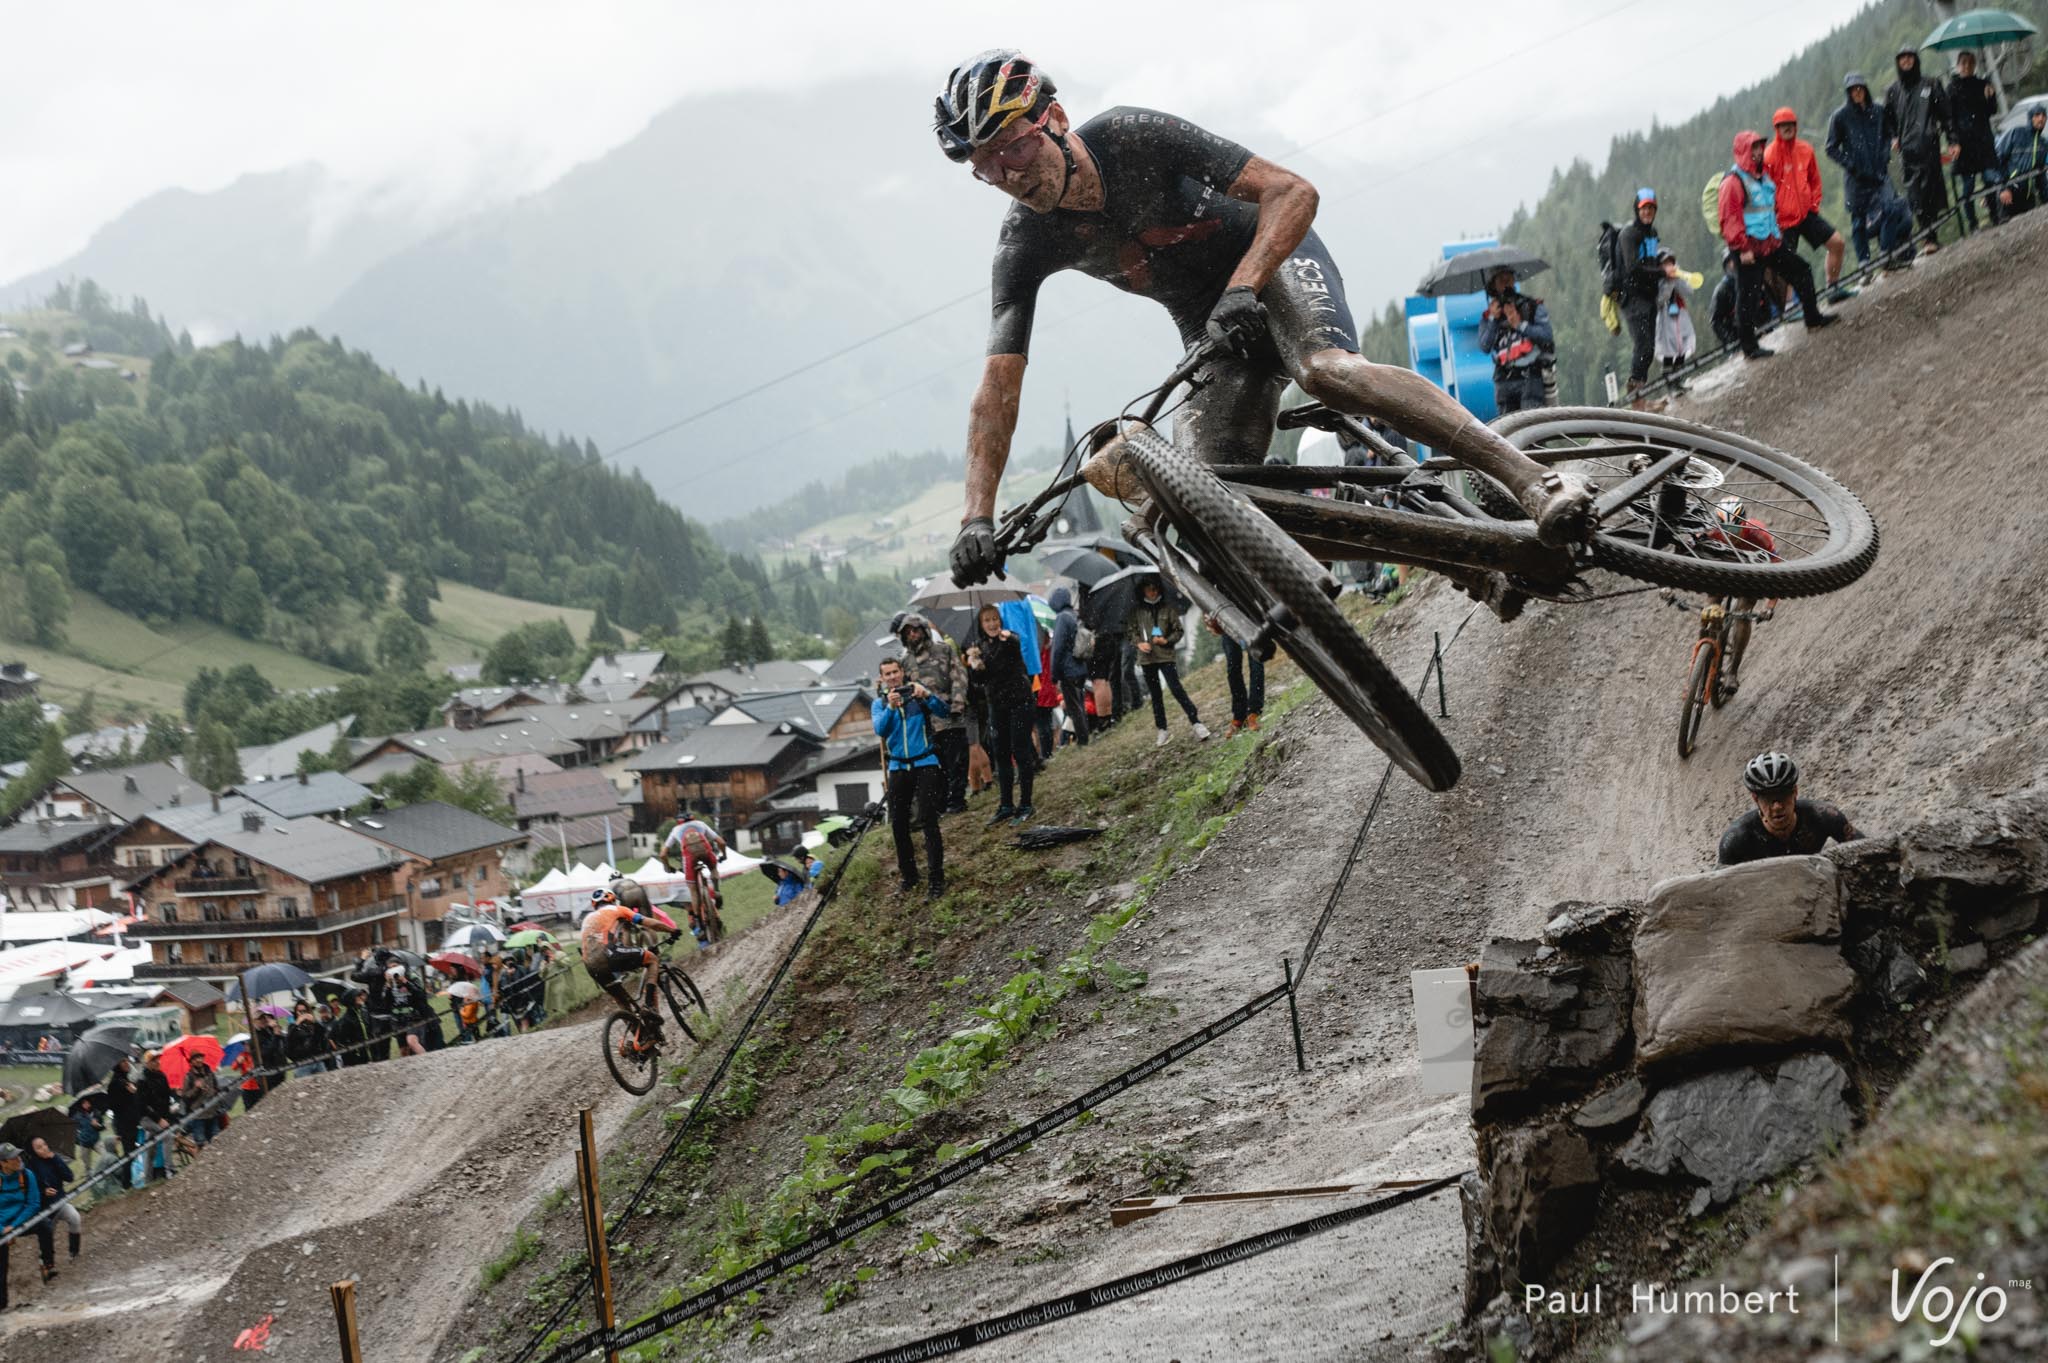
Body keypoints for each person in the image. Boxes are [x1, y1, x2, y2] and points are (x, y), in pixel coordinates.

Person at [937, 49, 1596, 599]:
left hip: (1273, 262)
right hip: (1211, 331)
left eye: (1014, 148)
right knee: (1210, 509)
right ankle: (1462, 558)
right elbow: (997, 390)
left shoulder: (1130, 137)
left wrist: (1245, 284)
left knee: (1326, 372)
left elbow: (1293, 191)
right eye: (986, 166)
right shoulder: (1024, 241)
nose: (1008, 175)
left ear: (1054, 119)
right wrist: (975, 518)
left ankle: (1536, 482)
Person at [1719, 131, 1835, 359]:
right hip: (1748, 248)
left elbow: (1769, 208)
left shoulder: (1761, 176)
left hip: (1770, 243)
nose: (1758, 152)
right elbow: (1729, 218)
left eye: (1759, 147)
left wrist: (1777, 234)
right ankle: (1750, 348)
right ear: (1742, 151)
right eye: (1753, 148)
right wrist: (1742, 248)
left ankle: (1813, 319)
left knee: (1802, 271)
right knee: (1748, 297)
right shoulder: (1733, 182)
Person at [873, 654, 948, 899]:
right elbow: (880, 730)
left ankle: (936, 879)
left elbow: (944, 712)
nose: (893, 677)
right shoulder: (879, 703)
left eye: (895, 672)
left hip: (925, 762)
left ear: (902, 672)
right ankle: (909, 876)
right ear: (882, 678)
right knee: (899, 823)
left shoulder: (917, 694)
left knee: (929, 820)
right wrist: (891, 709)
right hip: (898, 767)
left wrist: (927, 695)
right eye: (887, 674)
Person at [1826, 72, 1914, 271]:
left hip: (1879, 173)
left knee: (1891, 208)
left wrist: (1886, 152)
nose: (1857, 92)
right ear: (1848, 92)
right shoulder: (1840, 117)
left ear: (1865, 88)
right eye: (1853, 89)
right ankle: (1864, 264)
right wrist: (1851, 165)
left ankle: (1886, 253)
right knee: (1858, 221)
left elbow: (1890, 132)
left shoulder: (1878, 110)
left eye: (1860, 88)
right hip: (1855, 179)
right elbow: (1830, 148)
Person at [1763, 107, 1849, 297]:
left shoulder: (1805, 150)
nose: (1787, 128)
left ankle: (1833, 288)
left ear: (1795, 125)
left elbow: (1814, 180)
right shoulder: (1769, 156)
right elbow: (1764, 191)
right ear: (1776, 128)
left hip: (1806, 214)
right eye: (1782, 125)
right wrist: (1773, 216)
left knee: (1837, 243)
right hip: (1782, 221)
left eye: (1790, 124)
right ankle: (1790, 307)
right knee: (1784, 266)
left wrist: (1814, 204)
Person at [964, 603, 1037, 825]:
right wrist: (974, 666)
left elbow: (1015, 644)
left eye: (995, 619)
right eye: (987, 620)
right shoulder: (979, 648)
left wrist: (1008, 638)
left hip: (1019, 702)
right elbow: (979, 682)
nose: (992, 624)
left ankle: (1026, 803)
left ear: (1000, 620)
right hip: (997, 705)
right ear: (981, 624)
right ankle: (1006, 805)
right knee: (1001, 754)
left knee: (1021, 751)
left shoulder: (1009, 639)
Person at [1718, 752, 1860, 865]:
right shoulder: (1736, 839)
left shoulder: (1824, 816)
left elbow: (1865, 850)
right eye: (1768, 799)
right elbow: (1719, 887)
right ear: (1756, 799)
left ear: (1795, 792)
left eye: (1783, 795)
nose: (1777, 806)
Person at [893, 612, 971, 813]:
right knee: (936, 767)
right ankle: (941, 804)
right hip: (925, 724)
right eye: (908, 632)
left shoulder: (943, 650)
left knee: (957, 761)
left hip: (950, 714)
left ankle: (957, 800)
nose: (912, 634)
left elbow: (959, 677)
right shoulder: (905, 661)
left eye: (916, 630)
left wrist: (957, 705)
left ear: (924, 630)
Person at [1883, 45, 1956, 253]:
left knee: (1932, 191)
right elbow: (1887, 120)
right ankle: (1927, 238)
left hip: (1929, 147)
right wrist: (1893, 137)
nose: (1906, 61)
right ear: (1898, 62)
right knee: (1915, 195)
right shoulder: (1892, 91)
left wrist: (1952, 140)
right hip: (1907, 151)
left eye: (1909, 57)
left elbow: (1946, 115)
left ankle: (1932, 236)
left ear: (1915, 60)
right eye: (1902, 58)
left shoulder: (1931, 84)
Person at [577, 887, 680, 1027]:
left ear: (594, 904)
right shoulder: (618, 909)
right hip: (608, 954)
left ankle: (641, 1036)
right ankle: (649, 1006)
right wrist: (671, 930)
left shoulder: (588, 918)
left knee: (623, 1002)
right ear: (613, 900)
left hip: (590, 965)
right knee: (652, 959)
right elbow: (650, 923)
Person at [1127, 578, 1209, 746]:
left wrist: (1166, 640)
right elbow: (1131, 632)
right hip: (1147, 659)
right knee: (1156, 695)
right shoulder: (1136, 611)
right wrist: (1139, 643)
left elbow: (1178, 630)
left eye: (1155, 588)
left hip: (1165, 656)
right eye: (1149, 589)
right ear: (1143, 591)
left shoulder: (1168, 608)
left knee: (1176, 689)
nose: (1153, 592)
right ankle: (1162, 729)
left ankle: (1196, 722)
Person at [1475, 267, 1553, 414]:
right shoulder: (1488, 316)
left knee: (1531, 423)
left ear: (1514, 280)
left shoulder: (1531, 306)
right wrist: (1493, 320)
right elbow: (1484, 346)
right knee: (1508, 427)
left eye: (1508, 279)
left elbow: (1546, 336)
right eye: (1501, 280)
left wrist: (1520, 325)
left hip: (1530, 377)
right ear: (1493, 285)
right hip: (1503, 381)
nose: (1506, 284)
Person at [1946, 51, 2004, 231]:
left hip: (1983, 139)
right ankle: (1973, 224)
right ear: (1958, 65)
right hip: (1964, 143)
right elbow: (1950, 118)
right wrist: (1953, 141)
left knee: (1989, 179)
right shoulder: (1952, 88)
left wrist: (1991, 96)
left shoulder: (1982, 84)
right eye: (1963, 63)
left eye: (1970, 63)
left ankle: (1995, 215)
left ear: (1974, 66)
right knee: (1968, 186)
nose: (1967, 67)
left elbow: (1991, 111)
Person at [1618, 188, 1665, 405]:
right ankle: (1636, 399)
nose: (1647, 212)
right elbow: (1632, 268)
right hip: (1632, 299)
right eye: (1643, 208)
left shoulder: (1652, 233)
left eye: (1651, 208)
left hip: (1648, 297)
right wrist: (1661, 272)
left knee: (1649, 348)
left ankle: (1640, 395)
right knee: (1642, 346)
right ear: (1637, 210)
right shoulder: (1629, 234)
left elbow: (1651, 262)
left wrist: (1663, 270)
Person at [659, 814, 729, 945]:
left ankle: (697, 919)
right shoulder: (701, 824)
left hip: (689, 857)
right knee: (713, 869)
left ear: (679, 822)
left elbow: (663, 854)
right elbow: (721, 842)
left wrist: (667, 867)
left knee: (693, 890)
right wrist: (724, 855)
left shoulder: (676, 830)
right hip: (706, 852)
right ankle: (717, 891)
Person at [0, 1141, 56, 1304]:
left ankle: (47, 1265)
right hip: (1, 1226)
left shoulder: (27, 1175)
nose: (18, 1159)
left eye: (18, 1155)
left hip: (20, 1220)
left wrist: (14, 1227)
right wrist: (3, 1230)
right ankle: (2, 1304)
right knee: (1, 1266)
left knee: (45, 1225)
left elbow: (33, 1204)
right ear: (3, 1163)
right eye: (13, 1158)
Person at [1206, 614, 1264, 736]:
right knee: (1233, 669)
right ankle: (1239, 716)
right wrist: (1209, 620)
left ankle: (1254, 713)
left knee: (1256, 663)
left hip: (1249, 617)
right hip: (1226, 621)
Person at [24, 1137, 78, 1263]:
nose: (44, 1148)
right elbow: (28, 1192)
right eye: (39, 1147)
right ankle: (46, 1264)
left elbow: (69, 1177)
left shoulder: (53, 1159)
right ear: (32, 1151)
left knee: (75, 1217)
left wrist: (55, 1158)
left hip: (59, 1202)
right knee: (47, 1237)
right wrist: (43, 1192)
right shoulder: (29, 1168)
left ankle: (74, 1252)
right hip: (44, 1209)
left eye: (44, 1144)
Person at [1651, 251, 1697, 382]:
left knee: (1682, 349)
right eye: (1665, 264)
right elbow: (1660, 300)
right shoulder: (1657, 282)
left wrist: (1679, 278)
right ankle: (1670, 382)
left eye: (1670, 263)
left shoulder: (1678, 277)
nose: (1669, 266)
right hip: (1665, 319)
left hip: (1680, 317)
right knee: (1668, 353)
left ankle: (1678, 379)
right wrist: (1669, 282)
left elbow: (1689, 291)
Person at [1998, 104, 2048, 214]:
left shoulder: (2043, 143)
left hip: (2028, 198)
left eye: (2044, 115)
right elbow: (1997, 161)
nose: (2041, 118)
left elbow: (2040, 175)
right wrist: (2002, 188)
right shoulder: (2015, 133)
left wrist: (2045, 198)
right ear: (2030, 117)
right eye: (2037, 115)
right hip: (2008, 195)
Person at [105, 1056, 143, 1155]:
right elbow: (113, 1105)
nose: (127, 1063)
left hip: (133, 1121)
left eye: (127, 1060)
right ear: (117, 1065)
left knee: (136, 1150)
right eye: (123, 1061)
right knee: (130, 1152)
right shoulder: (116, 1082)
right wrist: (124, 1086)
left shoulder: (126, 1079)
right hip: (125, 1124)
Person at [180, 1057, 222, 1145]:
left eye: (200, 1057)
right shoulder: (188, 1077)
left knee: (217, 1141)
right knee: (200, 1143)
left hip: (212, 1113)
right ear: (191, 1062)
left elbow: (217, 1088)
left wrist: (212, 1091)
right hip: (198, 1116)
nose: (198, 1060)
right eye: (195, 1059)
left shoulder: (210, 1073)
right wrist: (196, 1088)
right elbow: (185, 1097)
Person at [286, 1002, 328, 1078]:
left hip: (317, 1059)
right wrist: (297, 1022)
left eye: (304, 1011)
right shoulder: (293, 1026)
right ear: (296, 1012)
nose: (302, 1013)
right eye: (300, 1011)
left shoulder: (312, 1024)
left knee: (325, 1081)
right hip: (302, 1063)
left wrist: (314, 1022)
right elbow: (289, 1038)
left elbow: (323, 1033)